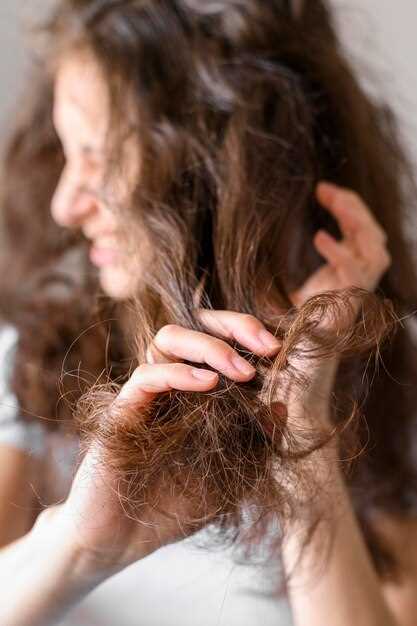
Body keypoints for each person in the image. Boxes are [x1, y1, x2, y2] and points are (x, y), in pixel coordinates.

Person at [0, 1, 416, 625]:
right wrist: (82, 544)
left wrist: (302, 431)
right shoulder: (36, 358)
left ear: (214, 166)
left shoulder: (389, 379)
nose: (65, 203)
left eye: (98, 154)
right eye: (66, 152)